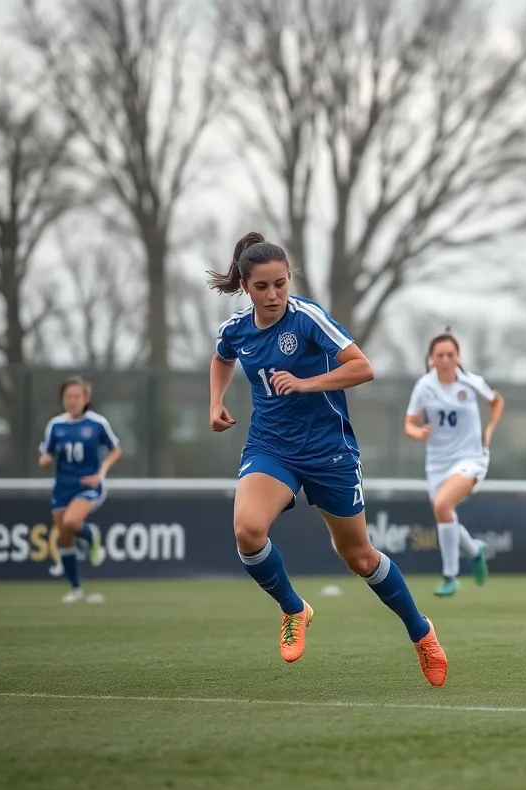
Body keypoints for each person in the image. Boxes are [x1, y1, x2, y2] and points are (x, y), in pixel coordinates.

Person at [208, 232, 447, 684]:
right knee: (247, 531)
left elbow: (363, 366)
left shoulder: (307, 317)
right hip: (271, 447)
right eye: (263, 287)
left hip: (329, 451)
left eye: (281, 283)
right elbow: (222, 357)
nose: (274, 294)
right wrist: (216, 401)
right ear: (245, 287)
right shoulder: (237, 329)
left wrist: (305, 383)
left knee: (358, 557)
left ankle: (421, 632)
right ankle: (294, 609)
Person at [404, 330, 503, 597]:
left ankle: (450, 576)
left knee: (442, 505)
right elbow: (409, 423)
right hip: (436, 462)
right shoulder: (424, 386)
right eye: (440, 355)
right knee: (443, 513)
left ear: (458, 357)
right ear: (431, 359)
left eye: (450, 354)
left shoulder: (471, 382)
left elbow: (497, 402)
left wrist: (489, 431)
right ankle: (475, 550)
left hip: (471, 458)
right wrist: (418, 432)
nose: (446, 359)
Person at [38, 377, 120, 603]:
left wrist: (101, 473)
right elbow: (46, 454)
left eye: (77, 396)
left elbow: (115, 450)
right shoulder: (55, 425)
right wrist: (45, 460)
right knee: (65, 538)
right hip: (62, 488)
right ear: (62, 399)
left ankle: (91, 535)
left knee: (71, 522)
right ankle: (76, 589)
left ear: (86, 398)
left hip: (88, 486)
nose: (73, 401)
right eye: (68, 397)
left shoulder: (97, 423)